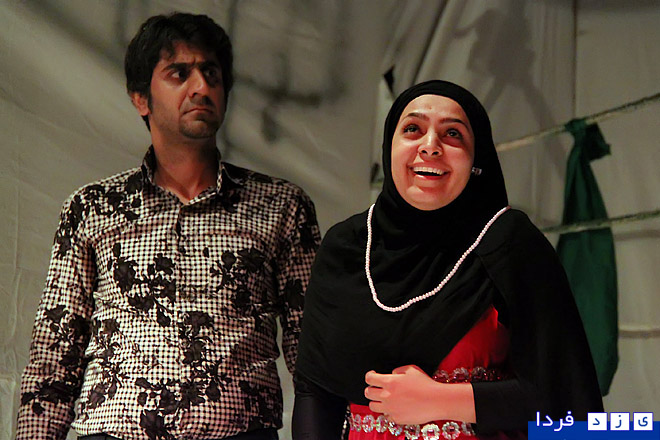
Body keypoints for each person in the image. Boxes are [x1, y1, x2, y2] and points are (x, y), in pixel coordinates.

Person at [16, 12, 320, 440]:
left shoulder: (281, 205)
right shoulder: (92, 208)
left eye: (211, 73)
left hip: (238, 432)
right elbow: (53, 355)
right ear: (141, 98)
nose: (201, 87)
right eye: (179, 73)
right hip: (113, 431)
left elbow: (313, 356)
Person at [292, 80, 603, 439]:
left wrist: (444, 401)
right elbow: (315, 389)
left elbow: (568, 397)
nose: (430, 146)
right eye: (412, 129)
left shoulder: (509, 242)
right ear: (389, 146)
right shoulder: (346, 247)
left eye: (452, 133)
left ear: (476, 159)